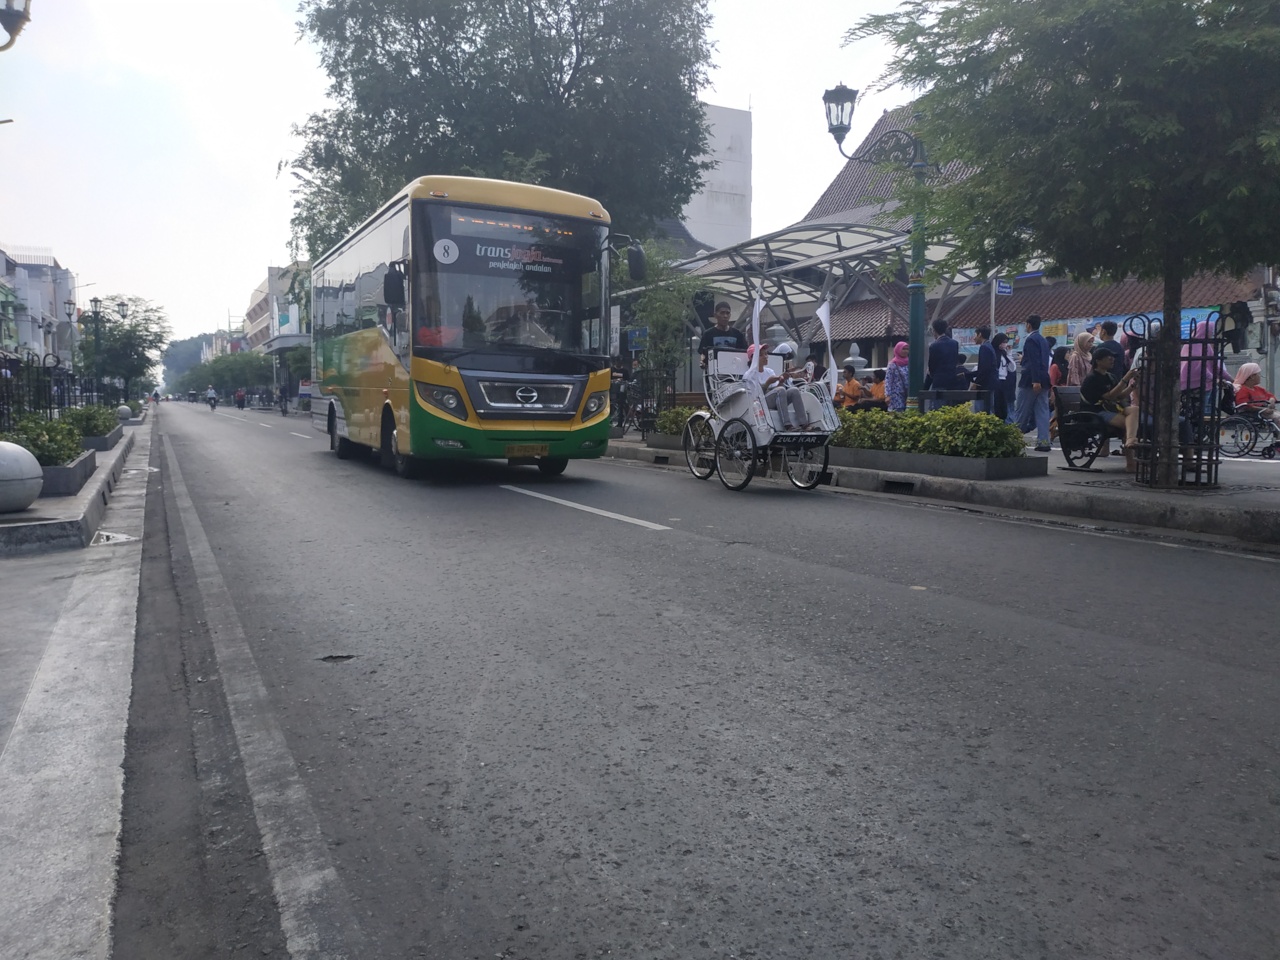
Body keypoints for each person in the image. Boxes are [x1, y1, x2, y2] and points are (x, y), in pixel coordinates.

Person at [1080, 346, 1139, 471]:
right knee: (1128, 425)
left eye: (1113, 358)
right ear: (1098, 361)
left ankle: (1130, 440)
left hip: (1111, 408)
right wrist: (1125, 379)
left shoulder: (1110, 376)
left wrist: (1131, 386)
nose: (1112, 360)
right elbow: (1110, 396)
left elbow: (1120, 396)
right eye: (1109, 358)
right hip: (1095, 412)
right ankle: (1131, 463)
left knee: (1135, 410)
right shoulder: (1092, 379)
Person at [745, 342, 809, 431]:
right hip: (759, 404)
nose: (765, 356)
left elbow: (777, 390)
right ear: (752, 359)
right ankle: (787, 425)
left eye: (766, 354)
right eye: (761, 355)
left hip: (774, 400)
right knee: (780, 390)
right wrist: (767, 383)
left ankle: (804, 424)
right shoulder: (749, 375)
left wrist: (781, 381)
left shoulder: (770, 371)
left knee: (794, 390)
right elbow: (755, 397)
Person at [1014, 314, 1052, 451]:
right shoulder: (1043, 340)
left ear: (1028, 325)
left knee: (1022, 410)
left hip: (1030, 380)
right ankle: (1043, 442)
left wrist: (1035, 380)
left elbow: (1034, 361)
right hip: (1044, 379)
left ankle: (1014, 439)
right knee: (1042, 411)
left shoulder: (1030, 340)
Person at [698, 302, 748, 368]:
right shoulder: (708, 334)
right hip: (714, 373)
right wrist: (702, 362)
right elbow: (702, 352)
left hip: (734, 372)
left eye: (727, 313)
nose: (725, 316)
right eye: (722, 313)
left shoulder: (737, 334)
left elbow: (745, 352)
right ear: (715, 315)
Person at [925, 318, 962, 390]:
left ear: (934, 331)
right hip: (952, 381)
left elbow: (931, 365)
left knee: (938, 400)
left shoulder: (934, 345)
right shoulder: (954, 343)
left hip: (939, 381)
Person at [969, 325, 997, 414]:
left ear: (980, 334)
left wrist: (976, 383)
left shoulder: (984, 347)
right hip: (991, 383)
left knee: (980, 411)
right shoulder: (989, 346)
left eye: (975, 335)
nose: (974, 338)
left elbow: (984, 368)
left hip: (985, 385)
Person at [991, 332, 1017, 422]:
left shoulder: (1004, 354)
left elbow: (1012, 368)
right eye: (1003, 342)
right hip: (996, 381)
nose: (1005, 344)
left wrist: (1009, 354)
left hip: (1004, 382)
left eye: (1006, 342)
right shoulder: (993, 352)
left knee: (1003, 405)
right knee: (996, 404)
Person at [886, 341, 909, 412]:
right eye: (903, 349)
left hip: (907, 393)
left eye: (907, 349)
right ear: (898, 350)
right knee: (897, 412)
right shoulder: (892, 364)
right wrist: (888, 395)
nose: (905, 351)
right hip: (896, 394)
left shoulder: (909, 363)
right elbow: (888, 380)